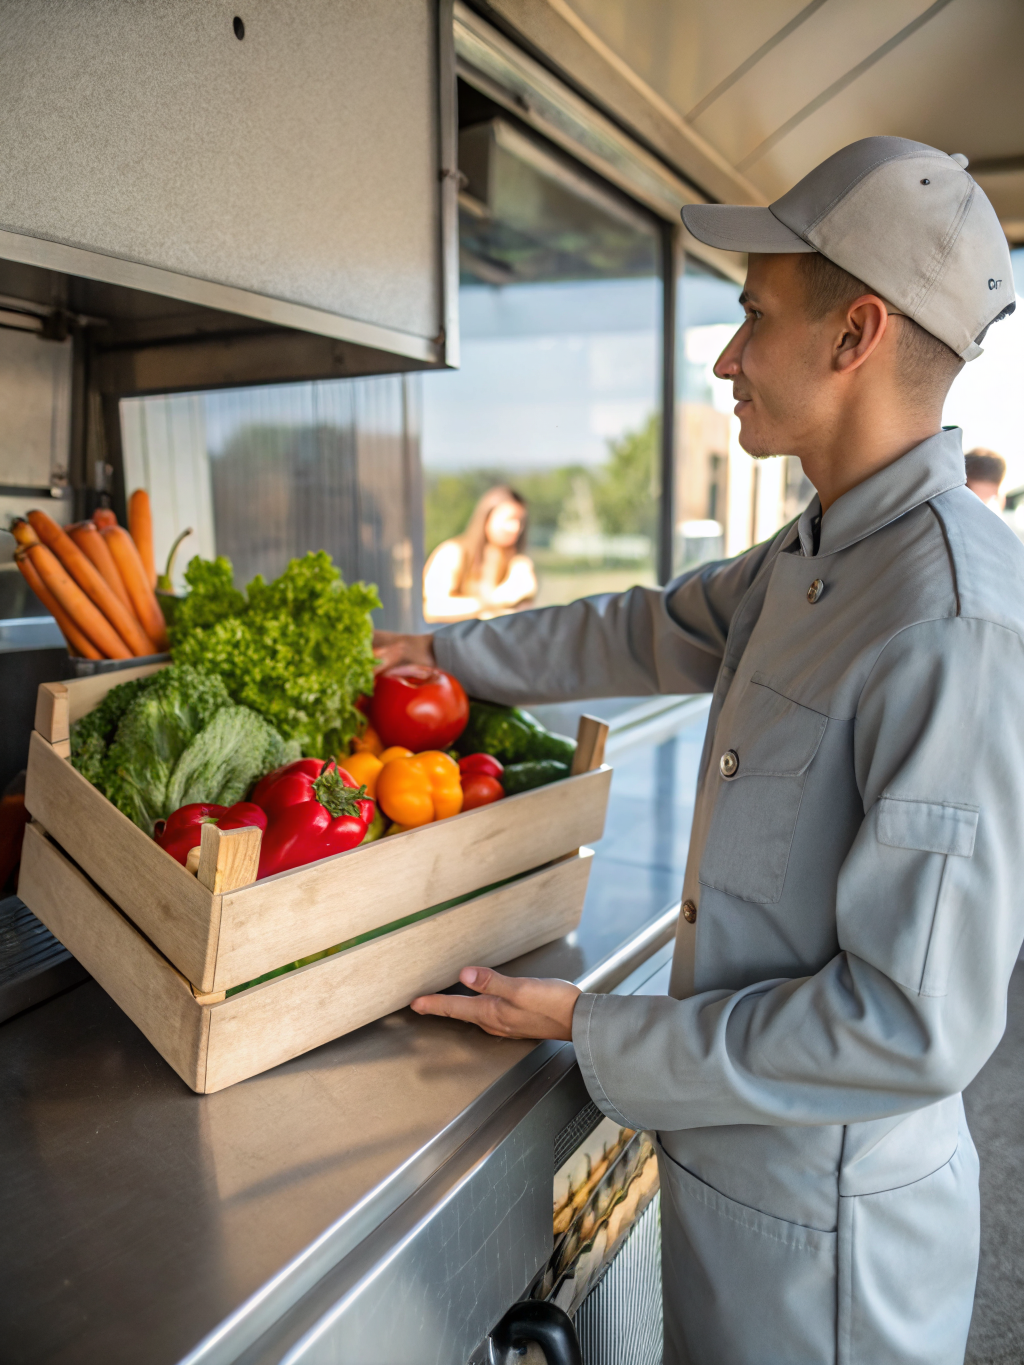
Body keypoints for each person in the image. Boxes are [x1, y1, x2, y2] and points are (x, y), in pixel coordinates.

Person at [376, 137, 1023, 1364]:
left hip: (830, 1258)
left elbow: (907, 1026)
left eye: (751, 315)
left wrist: (592, 1024)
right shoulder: (818, 554)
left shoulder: (949, 622)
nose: (725, 357)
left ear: (855, 336)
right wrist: (441, 658)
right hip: (745, 1187)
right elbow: (645, 625)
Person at [422, 485, 537, 622]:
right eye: (509, 519)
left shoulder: (517, 562)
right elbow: (433, 608)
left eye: (520, 521)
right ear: (487, 517)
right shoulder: (452, 552)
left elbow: (522, 609)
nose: (515, 528)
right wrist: (489, 605)